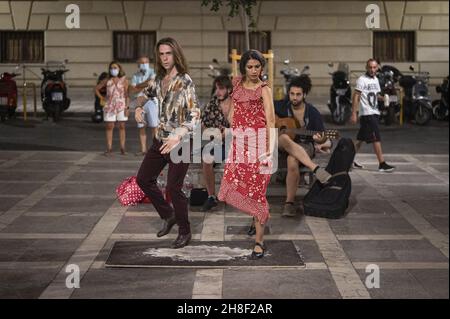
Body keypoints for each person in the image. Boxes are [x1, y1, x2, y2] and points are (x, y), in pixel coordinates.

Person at [135, 38, 201, 249]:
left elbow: (195, 114)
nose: (164, 58)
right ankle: (168, 214)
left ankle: (185, 231)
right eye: (161, 54)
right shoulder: (158, 79)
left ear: (176, 55)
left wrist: (178, 135)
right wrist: (138, 108)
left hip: (180, 142)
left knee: (174, 186)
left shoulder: (185, 81)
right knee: (143, 179)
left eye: (168, 54)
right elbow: (143, 95)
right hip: (161, 139)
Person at [217, 50, 276, 259]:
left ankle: (259, 242)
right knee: (239, 185)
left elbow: (270, 120)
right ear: (244, 67)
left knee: (258, 193)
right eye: (249, 67)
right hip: (240, 145)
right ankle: (255, 220)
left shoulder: (264, 89)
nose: (253, 71)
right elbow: (231, 114)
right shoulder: (236, 84)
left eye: (257, 67)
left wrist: (269, 150)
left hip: (261, 146)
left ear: (262, 68)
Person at [275, 75, 332, 217]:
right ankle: (315, 169)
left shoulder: (312, 112)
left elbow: (326, 138)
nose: (294, 97)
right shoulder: (281, 106)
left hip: (305, 146)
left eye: (298, 94)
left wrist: (320, 141)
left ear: (304, 94)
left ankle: (289, 204)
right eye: (292, 94)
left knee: (292, 160)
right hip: (283, 144)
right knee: (282, 136)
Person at [351, 59, 395, 172]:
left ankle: (348, 161)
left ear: (378, 68)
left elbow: (375, 95)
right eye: (370, 67)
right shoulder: (362, 80)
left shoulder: (376, 80)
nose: (372, 70)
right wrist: (354, 113)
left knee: (360, 139)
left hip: (374, 112)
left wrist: (383, 97)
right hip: (367, 113)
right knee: (376, 138)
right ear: (366, 67)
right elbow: (356, 96)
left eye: (374, 67)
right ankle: (382, 164)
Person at [201, 75, 232, 212]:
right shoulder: (212, 105)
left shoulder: (236, 104)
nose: (218, 92)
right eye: (217, 89)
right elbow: (202, 126)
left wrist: (229, 132)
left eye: (222, 89)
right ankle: (211, 197)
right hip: (219, 143)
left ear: (229, 90)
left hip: (237, 142)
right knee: (206, 158)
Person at [95, 61, 129, 155]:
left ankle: (122, 148)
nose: (113, 70)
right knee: (110, 126)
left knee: (122, 126)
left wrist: (127, 107)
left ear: (119, 69)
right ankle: (109, 148)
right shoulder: (107, 80)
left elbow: (127, 94)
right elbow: (96, 88)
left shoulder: (124, 80)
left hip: (121, 105)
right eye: (111, 68)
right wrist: (102, 97)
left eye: (115, 68)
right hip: (109, 105)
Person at [129, 56, 158, 155]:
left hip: (151, 101)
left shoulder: (153, 72)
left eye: (146, 62)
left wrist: (138, 85)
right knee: (141, 126)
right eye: (142, 62)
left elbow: (152, 83)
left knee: (154, 126)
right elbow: (132, 89)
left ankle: (156, 148)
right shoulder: (135, 75)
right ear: (138, 64)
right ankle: (143, 150)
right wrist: (145, 83)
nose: (144, 64)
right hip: (139, 102)